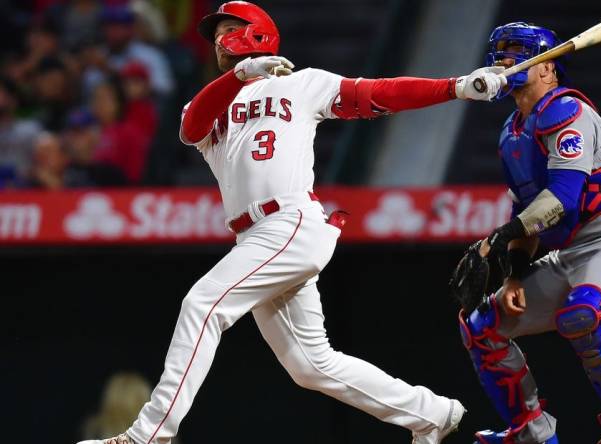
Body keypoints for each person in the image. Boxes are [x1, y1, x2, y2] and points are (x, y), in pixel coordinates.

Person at [77, 2, 507, 444]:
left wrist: (455, 87)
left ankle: (150, 434)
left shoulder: (303, 85)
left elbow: (379, 93)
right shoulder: (207, 103)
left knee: (202, 305)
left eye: (230, 28)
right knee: (311, 365)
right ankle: (432, 414)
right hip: (253, 234)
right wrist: (240, 77)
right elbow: (191, 127)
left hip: (288, 221)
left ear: (258, 33)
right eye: (217, 33)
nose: (221, 39)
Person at [457, 22, 601, 444]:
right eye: (501, 53)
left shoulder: (567, 110)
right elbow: (528, 215)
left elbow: (563, 199)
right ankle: (530, 432)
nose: (504, 62)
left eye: (517, 53)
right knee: (482, 326)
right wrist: (513, 272)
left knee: (585, 315)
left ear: (548, 68)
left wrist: (499, 235)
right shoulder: (512, 131)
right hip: (567, 252)